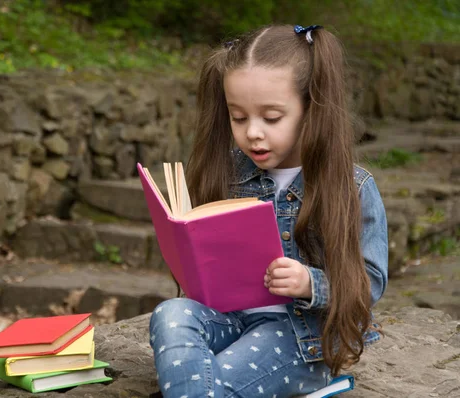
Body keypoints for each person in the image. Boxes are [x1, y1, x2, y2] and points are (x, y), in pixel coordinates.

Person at [149, 24, 388, 397]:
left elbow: (370, 280)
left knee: (218, 379)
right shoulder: (230, 173)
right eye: (239, 118)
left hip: (299, 336)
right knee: (170, 314)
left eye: (271, 118)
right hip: (231, 322)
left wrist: (311, 283)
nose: (253, 133)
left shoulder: (351, 188)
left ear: (312, 109)